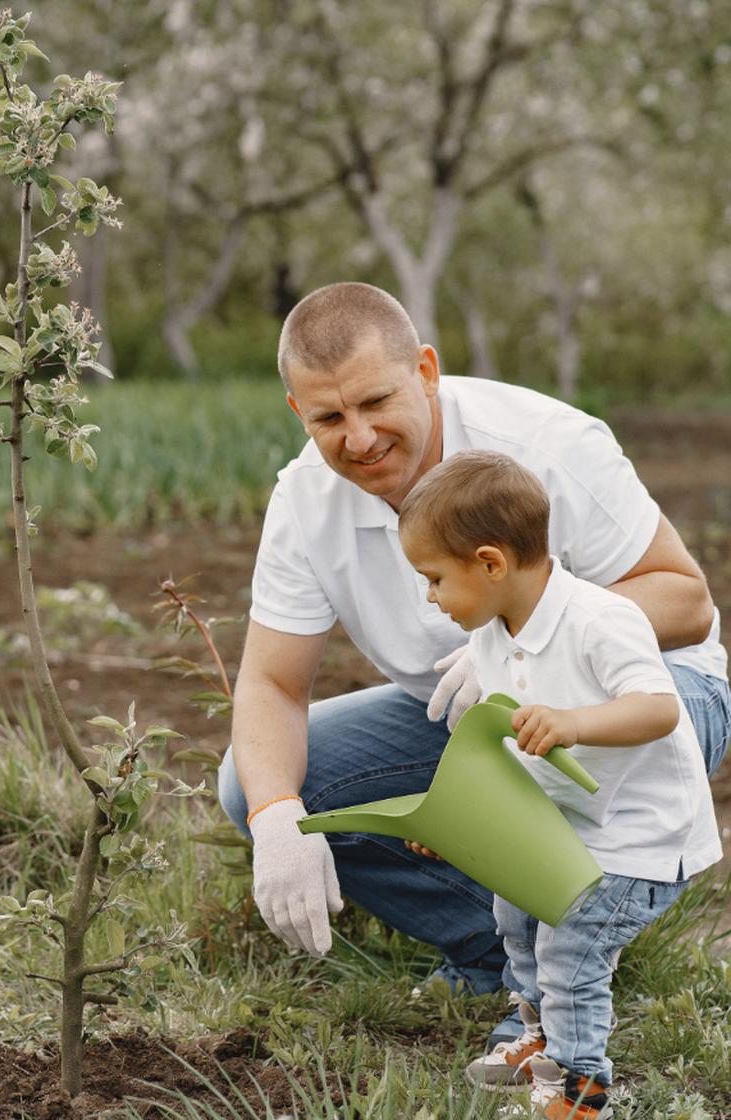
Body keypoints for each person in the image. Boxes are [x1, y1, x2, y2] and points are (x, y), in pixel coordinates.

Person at [221, 282, 729, 1046]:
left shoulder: (547, 447)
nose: (357, 438)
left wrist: (521, 646)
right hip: (467, 717)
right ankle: (501, 948)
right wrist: (276, 821)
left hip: (646, 693)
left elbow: (684, 599)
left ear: (426, 370)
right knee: (257, 781)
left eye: (375, 402)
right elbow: (271, 683)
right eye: (329, 417)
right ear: (299, 412)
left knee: (545, 766)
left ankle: (567, 979)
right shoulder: (305, 501)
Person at [396, 451, 721, 1120]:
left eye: (433, 579)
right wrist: (452, 818)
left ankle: (581, 1090)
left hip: (640, 837)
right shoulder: (493, 633)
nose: (429, 596)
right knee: (515, 910)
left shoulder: (601, 621)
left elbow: (659, 709)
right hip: (569, 822)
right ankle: (540, 1036)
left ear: (490, 564)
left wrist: (575, 723)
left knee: (571, 947)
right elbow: (492, 742)